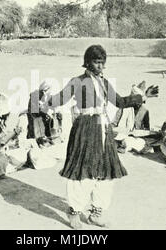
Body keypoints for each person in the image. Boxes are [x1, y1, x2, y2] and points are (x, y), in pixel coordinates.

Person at [41, 45, 159, 229]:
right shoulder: (77, 81)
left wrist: (143, 96)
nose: (101, 67)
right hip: (85, 128)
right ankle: (74, 212)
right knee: (83, 170)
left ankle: (96, 213)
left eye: (103, 63)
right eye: (97, 63)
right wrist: (45, 99)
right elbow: (59, 100)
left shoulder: (104, 83)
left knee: (105, 171)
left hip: (104, 129)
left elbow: (119, 101)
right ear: (87, 62)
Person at [26, 80, 65, 160]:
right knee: (38, 139)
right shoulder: (35, 96)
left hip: (42, 120)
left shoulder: (45, 96)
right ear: (46, 89)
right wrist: (45, 113)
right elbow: (34, 111)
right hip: (36, 121)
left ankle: (45, 146)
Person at [112, 82, 152, 154]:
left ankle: (126, 146)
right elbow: (114, 123)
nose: (139, 104)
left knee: (140, 141)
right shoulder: (123, 108)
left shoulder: (145, 111)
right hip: (122, 134)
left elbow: (146, 128)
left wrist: (138, 133)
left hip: (136, 136)